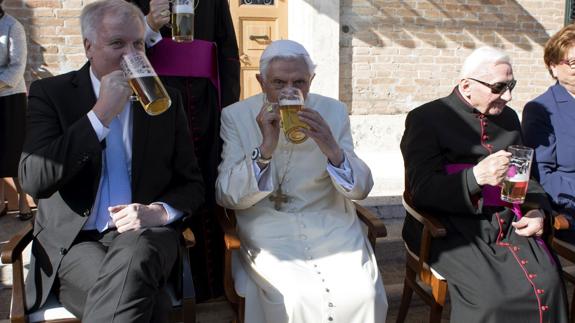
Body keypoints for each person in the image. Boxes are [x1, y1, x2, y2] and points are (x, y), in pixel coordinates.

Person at [18, 0, 204, 321]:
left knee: (136, 251)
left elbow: (192, 184)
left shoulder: (164, 100)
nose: (131, 55)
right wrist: (100, 115)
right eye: (117, 44)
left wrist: (158, 212)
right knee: (152, 305)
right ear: (88, 46)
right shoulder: (52, 94)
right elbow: (35, 179)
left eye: (138, 44)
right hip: (77, 244)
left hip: (148, 235)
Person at [215, 40, 387, 323]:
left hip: (329, 224)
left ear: (312, 81)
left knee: (363, 294)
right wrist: (265, 150)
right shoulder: (235, 116)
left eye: (299, 82)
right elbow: (226, 195)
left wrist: (332, 148)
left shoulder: (333, 111)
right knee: (294, 296)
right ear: (261, 82)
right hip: (266, 225)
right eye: (278, 82)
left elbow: (361, 190)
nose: (289, 91)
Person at [400, 46, 569, 323]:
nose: (508, 96)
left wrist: (538, 211)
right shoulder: (426, 119)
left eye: (511, 85)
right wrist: (476, 178)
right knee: (490, 301)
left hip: (508, 219)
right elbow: (421, 189)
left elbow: (525, 175)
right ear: (466, 86)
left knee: (550, 283)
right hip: (451, 227)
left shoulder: (509, 117)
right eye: (499, 87)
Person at [130, 0, 241, 300]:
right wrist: (149, 23)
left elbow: (228, 51)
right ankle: (167, 288)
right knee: (161, 183)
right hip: (155, 101)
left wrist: (228, 109)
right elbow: (119, 46)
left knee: (206, 184)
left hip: (206, 105)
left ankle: (213, 286)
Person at [522, 24, 575, 244]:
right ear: (553, 67)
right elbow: (542, 174)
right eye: (572, 62)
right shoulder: (541, 109)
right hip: (569, 205)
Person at [0, 0, 31, 220]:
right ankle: (1, 203)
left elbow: (17, 67)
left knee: (14, 150)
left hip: (10, 98)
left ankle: (23, 200)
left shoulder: (12, 26)